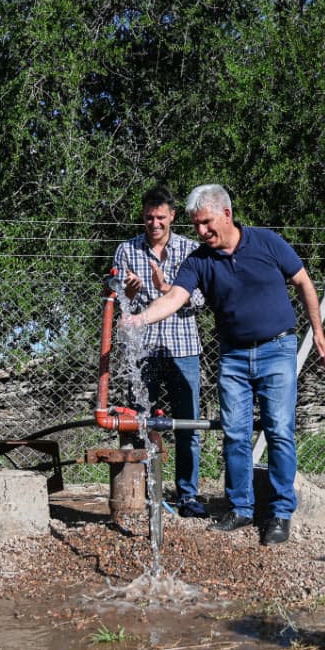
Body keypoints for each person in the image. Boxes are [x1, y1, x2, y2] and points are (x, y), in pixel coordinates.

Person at [125, 185, 325, 546]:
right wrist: (141, 319)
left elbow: (303, 282)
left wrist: (318, 331)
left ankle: (281, 512)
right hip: (233, 356)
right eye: (196, 225)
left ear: (227, 214)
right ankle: (240, 507)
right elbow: (175, 297)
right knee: (235, 433)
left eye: (206, 223)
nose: (201, 231)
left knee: (279, 430)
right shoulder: (200, 261)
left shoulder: (267, 242)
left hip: (277, 349)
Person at [112, 186, 207, 518]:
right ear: (143, 217)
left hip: (183, 347)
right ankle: (140, 494)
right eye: (149, 217)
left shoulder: (191, 250)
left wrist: (168, 288)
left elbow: (200, 300)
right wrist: (128, 292)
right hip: (144, 349)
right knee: (140, 422)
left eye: (161, 217)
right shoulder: (127, 250)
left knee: (188, 424)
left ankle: (187, 496)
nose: (155, 223)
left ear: (172, 216)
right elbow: (118, 303)